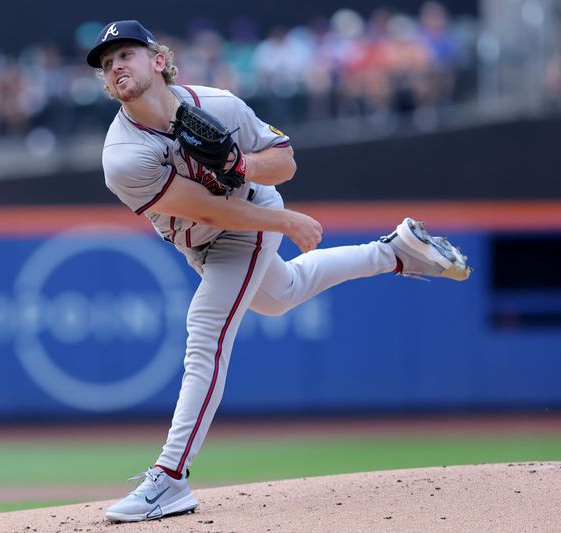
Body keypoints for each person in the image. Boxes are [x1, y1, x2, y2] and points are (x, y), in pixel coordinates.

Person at [85, 20, 471, 523]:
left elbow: (284, 161)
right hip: (215, 230)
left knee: (206, 328)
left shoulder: (217, 104)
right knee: (280, 291)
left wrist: (240, 164)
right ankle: (395, 252)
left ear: (158, 60)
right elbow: (207, 210)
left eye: (126, 54)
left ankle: (170, 478)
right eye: (106, 62)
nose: (115, 65)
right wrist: (284, 220)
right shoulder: (123, 155)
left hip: (245, 221)